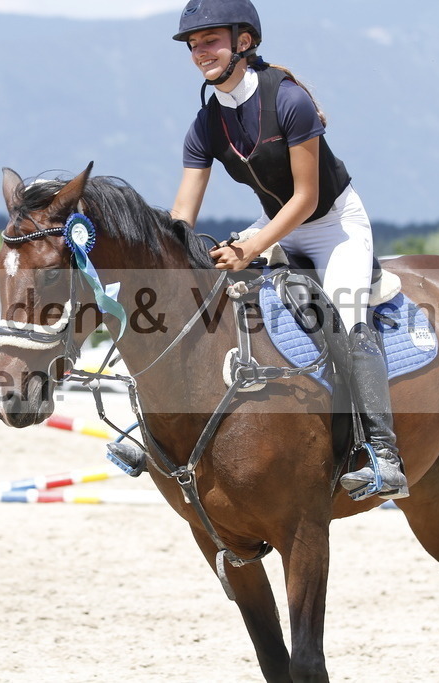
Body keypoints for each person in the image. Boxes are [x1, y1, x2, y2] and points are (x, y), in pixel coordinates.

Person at [169, 0, 408, 501]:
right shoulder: (206, 123)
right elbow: (182, 216)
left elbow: (307, 198)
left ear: (244, 42)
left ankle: (385, 456)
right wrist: (169, 260)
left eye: (210, 41)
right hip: (276, 223)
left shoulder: (289, 100)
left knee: (346, 315)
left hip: (333, 224)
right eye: (193, 45)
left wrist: (251, 246)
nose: (200, 52)